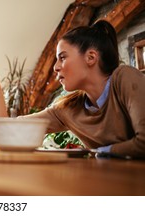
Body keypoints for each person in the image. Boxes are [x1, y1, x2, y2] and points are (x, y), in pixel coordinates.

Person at [23, 20, 145, 159]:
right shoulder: (69, 108)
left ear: (91, 57)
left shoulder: (125, 77)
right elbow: (17, 127)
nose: (55, 67)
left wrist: (100, 152)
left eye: (62, 57)